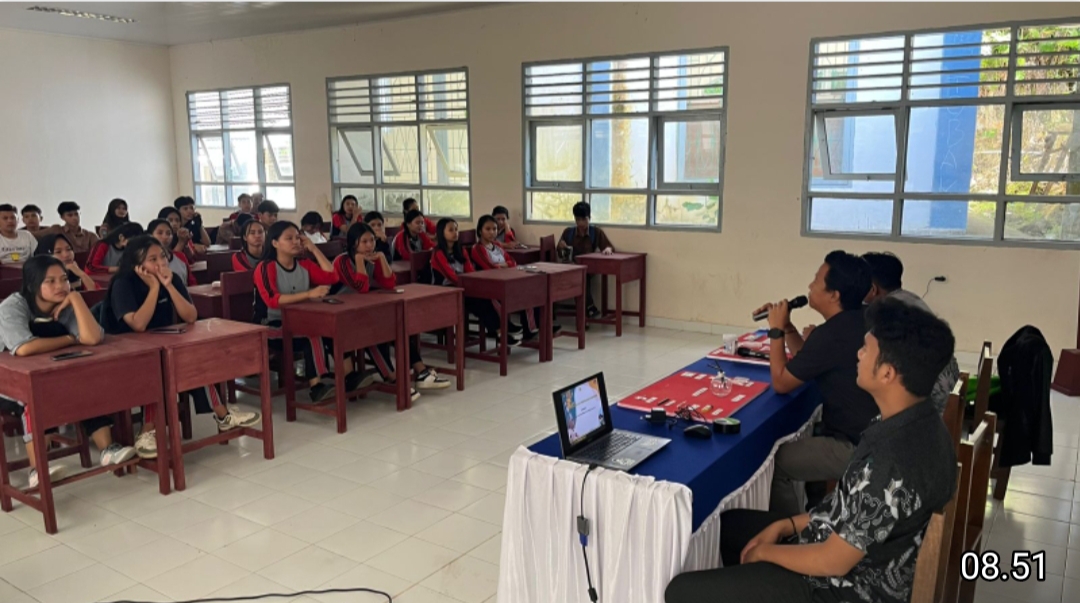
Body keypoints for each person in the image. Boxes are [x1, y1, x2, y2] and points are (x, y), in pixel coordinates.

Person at [665, 298, 958, 603]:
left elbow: (834, 561)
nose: (858, 354)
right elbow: (847, 503)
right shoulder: (912, 421)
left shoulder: (893, 461)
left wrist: (766, 553)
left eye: (865, 349)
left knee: (682, 591)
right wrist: (787, 524)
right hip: (842, 548)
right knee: (727, 527)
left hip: (843, 587)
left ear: (887, 374)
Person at [103, 236, 259, 458]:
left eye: (162, 257)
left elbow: (191, 316)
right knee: (158, 367)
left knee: (193, 359)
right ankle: (147, 431)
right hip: (125, 353)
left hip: (161, 345)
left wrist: (168, 286)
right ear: (137, 265)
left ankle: (223, 416)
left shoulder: (171, 278)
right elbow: (138, 325)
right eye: (152, 260)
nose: (161, 263)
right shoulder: (123, 284)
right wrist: (154, 288)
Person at [755, 251, 876, 516]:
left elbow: (781, 382)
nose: (810, 285)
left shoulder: (832, 333)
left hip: (856, 447)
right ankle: (812, 508)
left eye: (816, 280)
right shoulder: (861, 318)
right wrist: (787, 326)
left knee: (775, 464)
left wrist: (775, 331)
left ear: (834, 295)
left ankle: (789, 533)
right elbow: (808, 359)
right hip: (876, 435)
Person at [0, 256, 136, 487]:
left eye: (64, 279)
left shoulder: (65, 303)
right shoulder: (12, 307)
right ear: (32, 285)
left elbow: (92, 338)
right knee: (36, 397)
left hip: (47, 374)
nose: (60, 286)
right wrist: (69, 340)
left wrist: (76, 298)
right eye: (51, 281)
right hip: (7, 382)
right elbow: (23, 348)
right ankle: (37, 470)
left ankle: (108, 451)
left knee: (83, 384)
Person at [334, 222, 449, 395]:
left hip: (362, 311)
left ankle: (421, 372)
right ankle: (394, 379)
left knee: (396, 326)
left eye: (372, 240)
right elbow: (361, 288)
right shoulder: (342, 261)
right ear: (353, 243)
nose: (369, 245)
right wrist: (359, 260)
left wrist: (381, 258)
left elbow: (389, 284)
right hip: (339, 315)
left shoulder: (372, 259)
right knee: (375, 333)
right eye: (364, 242)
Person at [860, 252, 960, 415]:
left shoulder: (889, 311)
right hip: (945, 386)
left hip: (930, 398)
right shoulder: (908, 298)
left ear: (873, 289)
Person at [254, 221, 340, 402]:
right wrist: (308, 294)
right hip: (270, 326)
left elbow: (332, 276)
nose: (295, 242)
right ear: (275, 243)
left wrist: (313, 248)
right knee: (312, 334)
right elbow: (272, 300)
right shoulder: (266, 267)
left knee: (333, 329)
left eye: (297, 237)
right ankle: (316, 386)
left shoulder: (303, 264)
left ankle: (347, 377)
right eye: (289, 238)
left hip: (299, 322)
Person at [431, 217, 518, 345]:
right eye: (451, 230)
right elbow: (451, 277)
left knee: (486, 297)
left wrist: (473, 285)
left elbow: (470, 271)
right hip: (446, 291)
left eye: (456, 229)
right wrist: (470, 286)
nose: (455, 233)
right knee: (481, 301)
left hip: (463, 287)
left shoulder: (461, 250)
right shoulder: (438, 253)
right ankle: (500, 331)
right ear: (441, 233)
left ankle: (500, 332)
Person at [472, 215, 559, 342]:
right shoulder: (477, 248)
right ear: (480, 231)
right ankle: (505, 330)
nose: (492, 232)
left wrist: (502, 265)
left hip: (506, 280)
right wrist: (503, 265)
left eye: (494, 229)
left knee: (533, 292)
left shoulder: (497, 246)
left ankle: (537, 327)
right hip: (490, 286)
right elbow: (489, 267)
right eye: (488, 229)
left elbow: (513, 262)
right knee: (518, 295)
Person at [557, 201, 613, 318]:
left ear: (589, 218)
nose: (581, 223)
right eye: (578, 220)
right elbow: (561, 254)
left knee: (582, 276)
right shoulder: (568, 232)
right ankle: (588, 309)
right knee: (578, 276)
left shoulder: (595, 232)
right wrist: (561, 247)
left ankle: (585, 311)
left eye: (584, 219)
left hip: (588, 268)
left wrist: (607, 249)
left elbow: (608, 246)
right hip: (570, 267)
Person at [147, 219, 197, 287]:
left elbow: (191, 282)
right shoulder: (146, 260)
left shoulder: (180, 256)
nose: (165, 237)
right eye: (160, 233)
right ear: (150, 235)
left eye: (168, 233)